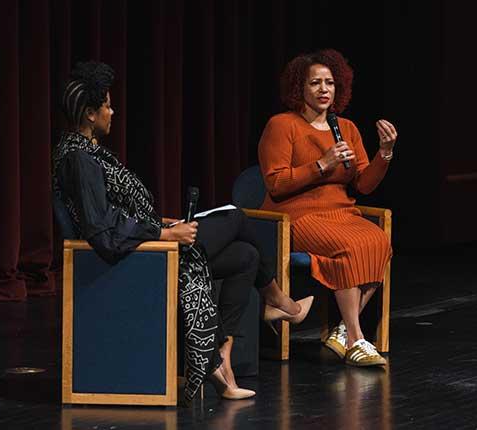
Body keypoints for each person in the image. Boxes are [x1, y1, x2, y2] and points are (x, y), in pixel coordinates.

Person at [51, 61, 313, 403]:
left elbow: (117, 215)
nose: (112, 112)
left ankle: (223, 360)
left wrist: (162, 225)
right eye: (107, 106)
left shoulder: (87, 153)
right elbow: (101, 231)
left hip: (148, 245)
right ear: (89, 114)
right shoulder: (79, 160)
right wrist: (165, 236)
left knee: (245, 257)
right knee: (236, 218)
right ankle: (278, 302)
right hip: (137, 260)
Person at [258, 49, 397, 367]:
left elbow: (363, 184)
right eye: (315, 83)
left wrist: (384, 154)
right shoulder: (282, 126)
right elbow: (275, 184)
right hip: (296, 214)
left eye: (330, 83)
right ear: (299, 89)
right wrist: (322, 164)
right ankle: (358, 338)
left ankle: (341, 334)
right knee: (348, 247)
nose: (323, 90)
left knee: (378, 240)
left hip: (341, 212)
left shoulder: (346, 128)